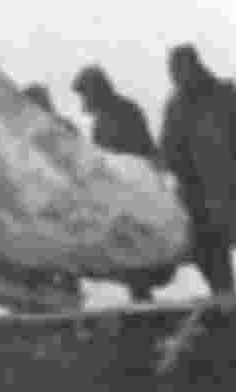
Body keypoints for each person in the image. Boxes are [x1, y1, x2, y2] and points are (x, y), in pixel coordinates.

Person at [158, 44, 236, 297]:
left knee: (216, 249)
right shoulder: (176, 104)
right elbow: (167, 149)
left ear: (194, 67)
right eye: (173, 73)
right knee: (201, 252)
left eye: (179, 71)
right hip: (192, 193)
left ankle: (226, 302)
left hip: (224, 189)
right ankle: (224, 299)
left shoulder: (225, 95)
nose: (176, 78)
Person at [72, 65, 175, 302]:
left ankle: (142, 299)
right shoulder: (111, 115)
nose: (83, 100)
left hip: (132, 192)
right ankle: (141, 298)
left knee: (135, 250)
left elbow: (138, 152)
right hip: (123, 193)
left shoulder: (120, 113)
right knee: (130, 251)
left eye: (85, 93)